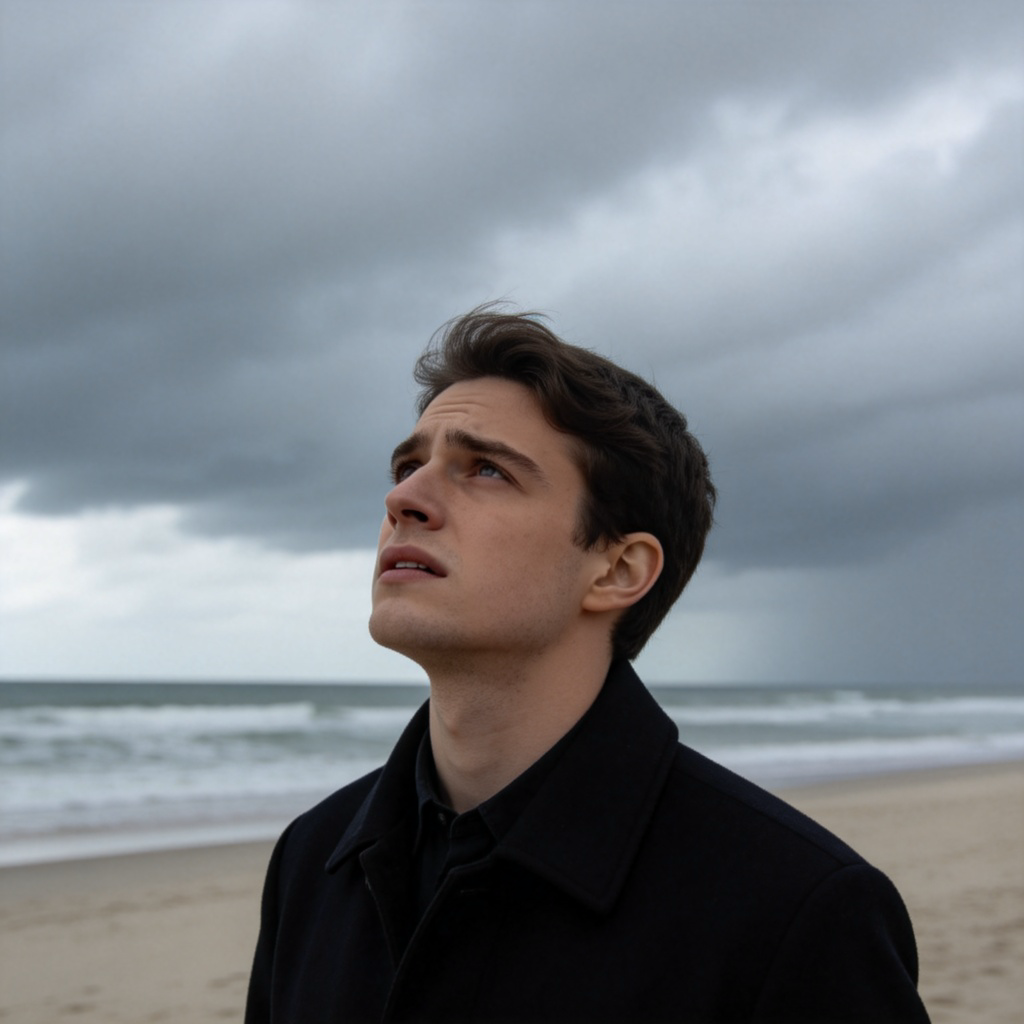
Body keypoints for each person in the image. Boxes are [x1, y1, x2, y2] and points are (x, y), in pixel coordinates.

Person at [245, 308, 930, 1023]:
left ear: (617, 570)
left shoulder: (797, 909)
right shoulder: (312, 859)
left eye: (484, 469)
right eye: (409, 465)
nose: (403, 499)